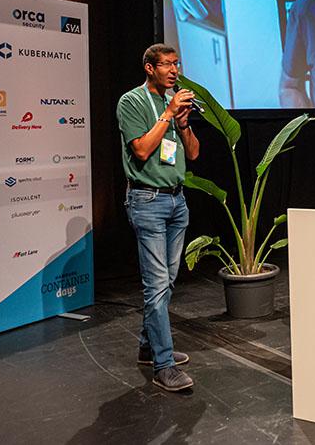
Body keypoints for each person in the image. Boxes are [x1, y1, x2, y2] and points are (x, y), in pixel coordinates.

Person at [116, 44, 200, 392]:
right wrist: (167, 113)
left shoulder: (174, 105)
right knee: (156, 284)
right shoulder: (132, 102)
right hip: (147, 200)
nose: (174, 70)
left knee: (167, 282)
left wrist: (183, 124)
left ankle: (148, 347)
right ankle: (163, 366)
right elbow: (140, 150)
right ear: (150, 68)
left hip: (177, 201)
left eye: (176, 64)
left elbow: (193, 153)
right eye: (166, 64)